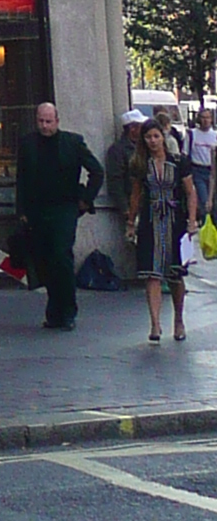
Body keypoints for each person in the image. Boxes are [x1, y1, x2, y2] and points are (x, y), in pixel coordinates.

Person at [15, 100, 105, 331]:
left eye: (48, 121)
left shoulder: (72, 143)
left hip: (65, 207)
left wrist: (85, 199)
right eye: (41, 121)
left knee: (62, 256)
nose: (44, 126)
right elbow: (22, 180)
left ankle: (67, 311)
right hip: (37, 209)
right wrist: (22, 211)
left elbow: (96, 170)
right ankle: (54, 311)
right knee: (45, 261)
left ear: (57, 121)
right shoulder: (27, 144)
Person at [123, 118, 196, 345]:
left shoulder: (178, 161)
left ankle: (178, 320)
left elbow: (190, 191)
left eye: (156, 136)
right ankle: (154, 323)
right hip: (151, 219)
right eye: (148, 137)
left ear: (163, 137)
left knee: (175, 275)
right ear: (143, 140)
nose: (153, 141)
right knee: (152, 274)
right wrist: (131, 222)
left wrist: (192, 221)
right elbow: (136, 194)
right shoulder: (140, 164)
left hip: (175, 220)